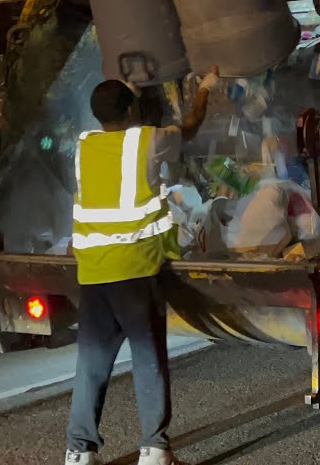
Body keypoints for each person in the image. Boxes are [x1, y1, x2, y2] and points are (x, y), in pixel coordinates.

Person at [65, 68, 220, 465]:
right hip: (135, 269)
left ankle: (80, 452)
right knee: (148, 357)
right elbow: (189, 126)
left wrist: (129, 86)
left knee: (92, 363)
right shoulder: (148, 141)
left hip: (94, 271)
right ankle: (153, 449)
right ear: (132, 109)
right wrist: (204, 89)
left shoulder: (84, 146)